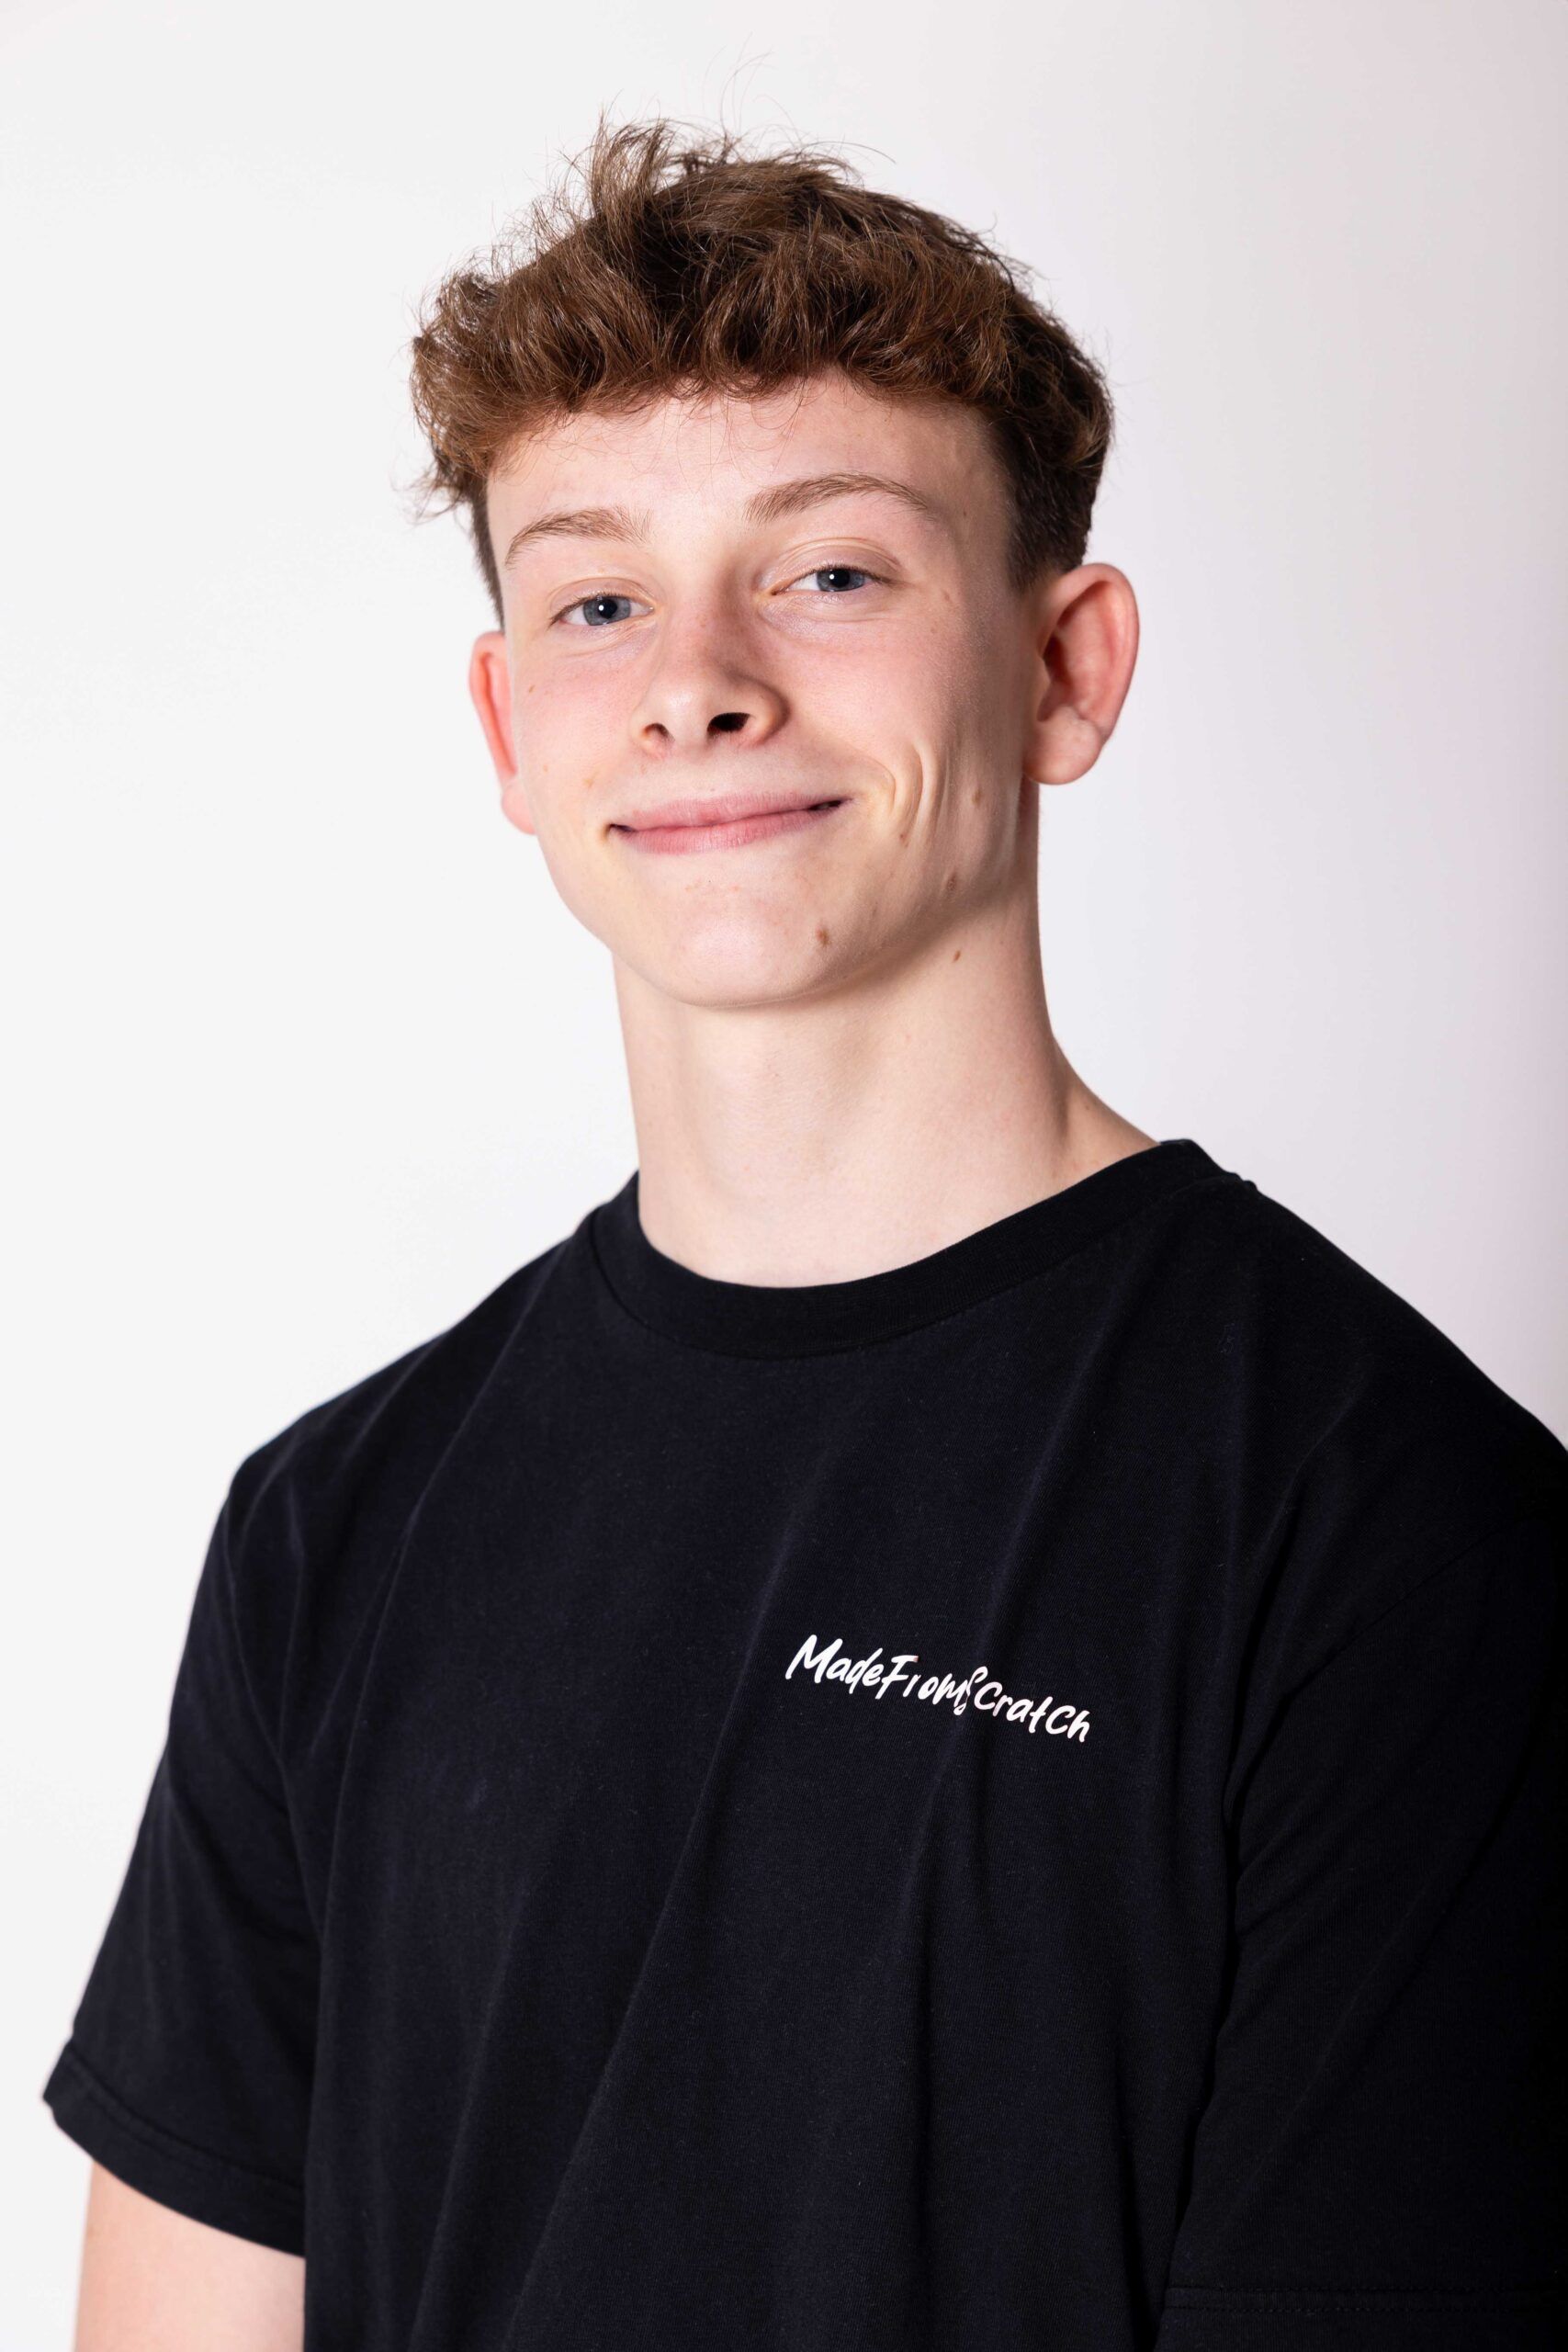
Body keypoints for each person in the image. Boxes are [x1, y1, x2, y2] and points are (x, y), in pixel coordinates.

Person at [43, 116, 1566, 2351]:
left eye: (831, 571)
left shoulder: (1391, 1530)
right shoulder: (329, 1529)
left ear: (1061, 667)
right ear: (509, 725)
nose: (697, 680)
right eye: (596, 600)